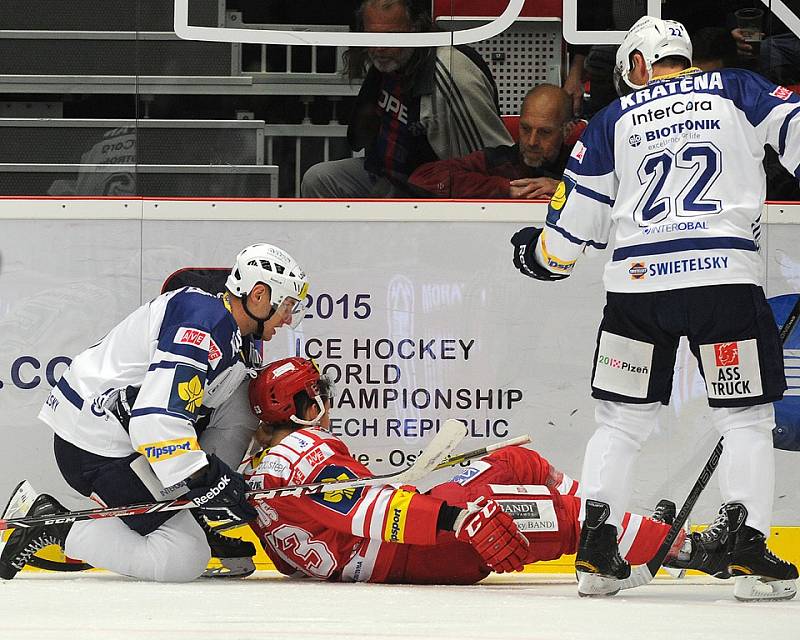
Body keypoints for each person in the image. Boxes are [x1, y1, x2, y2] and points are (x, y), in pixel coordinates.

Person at [510, 16, 799, 600]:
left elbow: (564, 241)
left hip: (637, 291)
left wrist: (536, 253)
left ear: (638, 65)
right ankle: (747, 550)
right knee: (743, 420)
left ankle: (596, 552)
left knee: (620, 423)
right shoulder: (738, 88)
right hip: (723, 283)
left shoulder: (611, 121)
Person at [242, 357, 729, 586]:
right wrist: (457, 519)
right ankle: (688, 548)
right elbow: (372, 509)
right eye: (317, 394)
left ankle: (638, 526)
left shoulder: (258, 466)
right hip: (414, 551)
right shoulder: (300, 455)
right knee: (560, 518)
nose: (326, 403)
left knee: (518, 462)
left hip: (405, 540)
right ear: (301, 405)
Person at [0, 243, 309, 582]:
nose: (289, 318)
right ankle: (48, 523)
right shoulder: (202, 322)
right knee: (183, 557)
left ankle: (195, 517)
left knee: (240, 400)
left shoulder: (231, 331)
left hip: (115, 432)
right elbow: (155, 421)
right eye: (288, 305)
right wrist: (205, 478)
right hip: (93, 446)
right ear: (259, 296)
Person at [300, 0, 513, 198]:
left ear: (415, 29)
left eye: (391, 36)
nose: (379, 48)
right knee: (318, 179)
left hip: (429, 190)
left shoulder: (451, 72)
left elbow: (498, 162)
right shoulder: (389, 60)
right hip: (387, 175)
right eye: (372, 37)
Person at [408, 84, 577, 199]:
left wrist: (565, 189)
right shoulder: (500, 161)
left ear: (567, 131)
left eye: (545, 132)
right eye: (525, 129)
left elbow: (603, 193)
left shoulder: (582, 164)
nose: (532, 141)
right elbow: (423, 177)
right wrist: (504, 189)